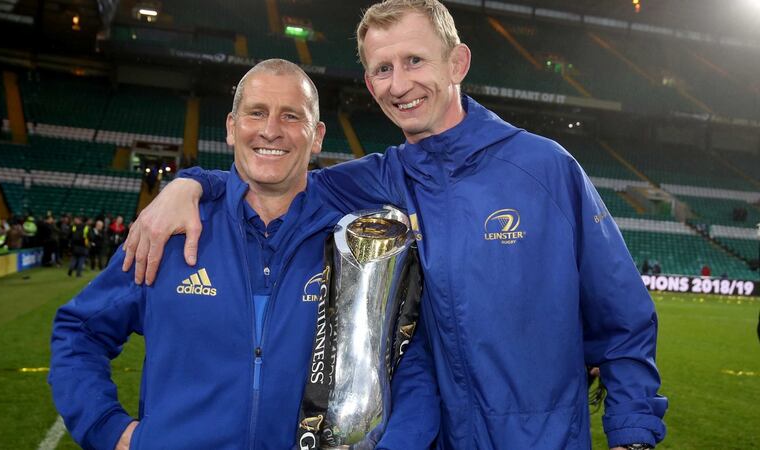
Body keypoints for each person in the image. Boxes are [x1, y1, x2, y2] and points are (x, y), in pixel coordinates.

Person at [125, 2, 668, 448]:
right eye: (383, 69)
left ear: (457, 63)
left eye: (415, 61)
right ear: (369, 80)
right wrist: (191, 183)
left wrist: (634, 436)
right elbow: (273, 172)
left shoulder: (546, 169)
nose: (399, 83)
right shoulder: (374, 180)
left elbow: (623, 322)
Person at [49, 59, 433, 450]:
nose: (270, 130)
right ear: (232, 128)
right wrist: (110, 430)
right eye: (256, 113)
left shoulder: (356, 249)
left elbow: (408, 368)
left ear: (316, 136)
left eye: (290, 116)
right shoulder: (169, 232)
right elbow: (79, 331)